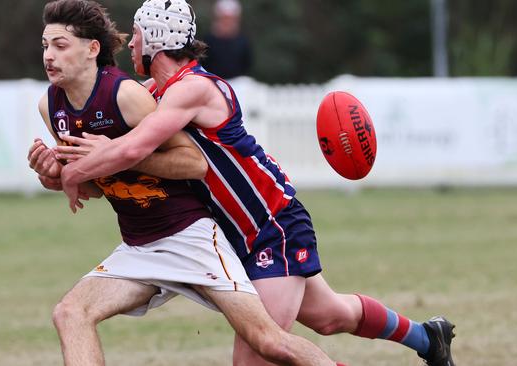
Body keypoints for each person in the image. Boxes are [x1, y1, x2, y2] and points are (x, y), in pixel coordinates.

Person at [54, 0, 457, 365]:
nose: (132, 44)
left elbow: (129, 149)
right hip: (237, 236)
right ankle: (427, 338)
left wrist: (77, 169)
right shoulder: (154, 92)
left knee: (258, 357)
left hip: (270, 227)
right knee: (330, 316)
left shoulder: (193, 89)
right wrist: (57, 165)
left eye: (138, 34)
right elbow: (121, 157)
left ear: (156, 39)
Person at [30, 1, 338, 365]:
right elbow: (100, 186)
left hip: (190, 238)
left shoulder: (128, 95)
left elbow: (193, 163)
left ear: (92, 49)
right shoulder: (51, 107)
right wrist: (52, 174)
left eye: (60, 45)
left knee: (268, 341)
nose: (49, 56)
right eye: (46, 45)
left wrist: (87, 165)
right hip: (139, 246)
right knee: (70, 313)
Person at [202, 0, 252, 79]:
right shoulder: (208, 40)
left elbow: (246, 66)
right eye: (224, 18)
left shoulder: (243, 42)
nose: (227, 22)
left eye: (230, 19)